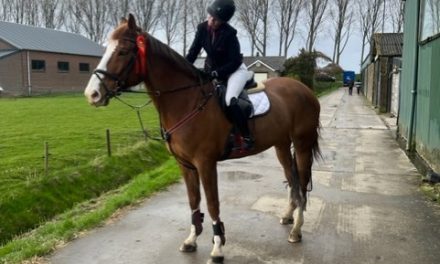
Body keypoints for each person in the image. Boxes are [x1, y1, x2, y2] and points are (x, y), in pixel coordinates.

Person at [186, 0, 254, 150]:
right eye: (211, 16)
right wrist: (183, 68)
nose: (212, 21)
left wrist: (217, 72)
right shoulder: (202, 28)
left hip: (235, 71)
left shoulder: (230, 34)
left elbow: (235, 61)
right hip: (214, 70)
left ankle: (246, 136)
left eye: (216, 20)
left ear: (223, 22)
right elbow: (193, 53)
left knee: (230, 100)